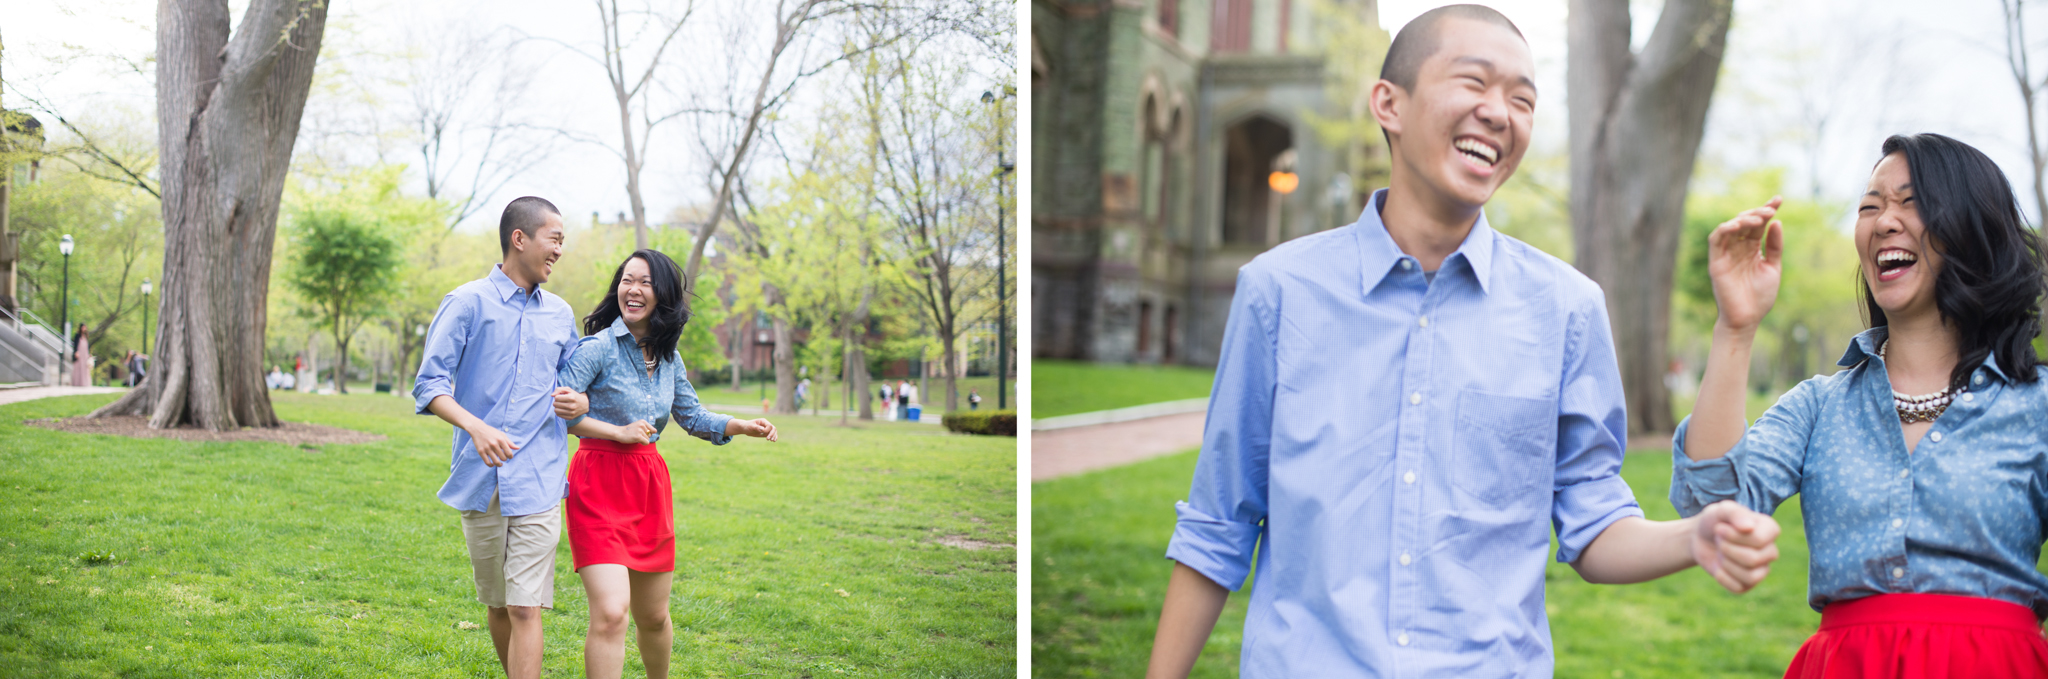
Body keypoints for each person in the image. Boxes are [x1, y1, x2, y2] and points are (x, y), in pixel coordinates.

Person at [1145, 7, 1782, 677]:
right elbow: (1217, 527)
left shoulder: (1567, 310)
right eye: (1473, 82)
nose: (1499, 112)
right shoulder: (1278, 292)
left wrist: (1695, 534)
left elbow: (1595, 524)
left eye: (1522, 99)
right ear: (1389, 104)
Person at [1675, 133, 2048, 677]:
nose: (1884, 221)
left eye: (1910, 202)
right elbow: (1711, 504)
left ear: (1972, 229)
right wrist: (1736, 328)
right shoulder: (1818, 406)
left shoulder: (2036, 404)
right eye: (1869, 206)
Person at [557, 249, 778, 679]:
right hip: (597, 483)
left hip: (647, 487)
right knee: (611, 613)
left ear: (663, 296)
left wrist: (741, 426)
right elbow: (557, 413)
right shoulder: (596, 349)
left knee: (654, 616)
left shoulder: (668, 359)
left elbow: (692, 416)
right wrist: (615, 432)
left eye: (645, 282)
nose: (633, 290)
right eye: (626, 280)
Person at [412, 197, 589, 679]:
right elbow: (429, 386)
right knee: (498, 603)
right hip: (481, 477)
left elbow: (575, 386)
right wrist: (476, 426)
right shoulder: (467, 303)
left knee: (526, 606)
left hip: (539, 477)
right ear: (520, 239)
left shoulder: (559, 313)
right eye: (554, 238)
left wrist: (582, 402)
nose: (559, 250)